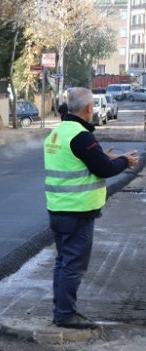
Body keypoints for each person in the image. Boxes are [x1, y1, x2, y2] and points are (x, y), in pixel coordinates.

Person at [44, 87, 139, 329]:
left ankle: (60, 310)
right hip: (78, 211)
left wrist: (101, 157)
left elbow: (78, 164)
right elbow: (104, 169)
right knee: (73, 264)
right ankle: (65, 315)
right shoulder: (81, 136)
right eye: (92, 107)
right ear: (88, 108)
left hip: (58, 209)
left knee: (63, 262)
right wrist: (124, 161)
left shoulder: (57, 133)